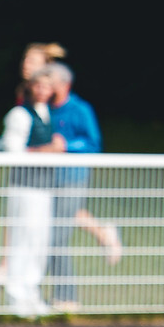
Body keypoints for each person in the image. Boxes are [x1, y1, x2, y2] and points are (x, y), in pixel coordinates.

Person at [40, 62, 122, 311]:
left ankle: (66, 297)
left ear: (64, 84)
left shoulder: (79, 109)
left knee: (57, 236)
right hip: (46, 178)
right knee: (58, 225)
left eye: (50, 80)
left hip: (72, 176)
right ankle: (104, 233)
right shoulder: (45, 109)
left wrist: (66, 146)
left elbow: (93, 143)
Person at [0, 77, 62, 319]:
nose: (43, 90)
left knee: (39, 240)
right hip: (25, 186)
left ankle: (32, 292)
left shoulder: (49, 113)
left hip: (45, 187)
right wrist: (46, 151)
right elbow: (13, 150)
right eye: (39, 85)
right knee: (23, 238)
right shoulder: (20, 114)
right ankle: (17, 296)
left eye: (47, 86)